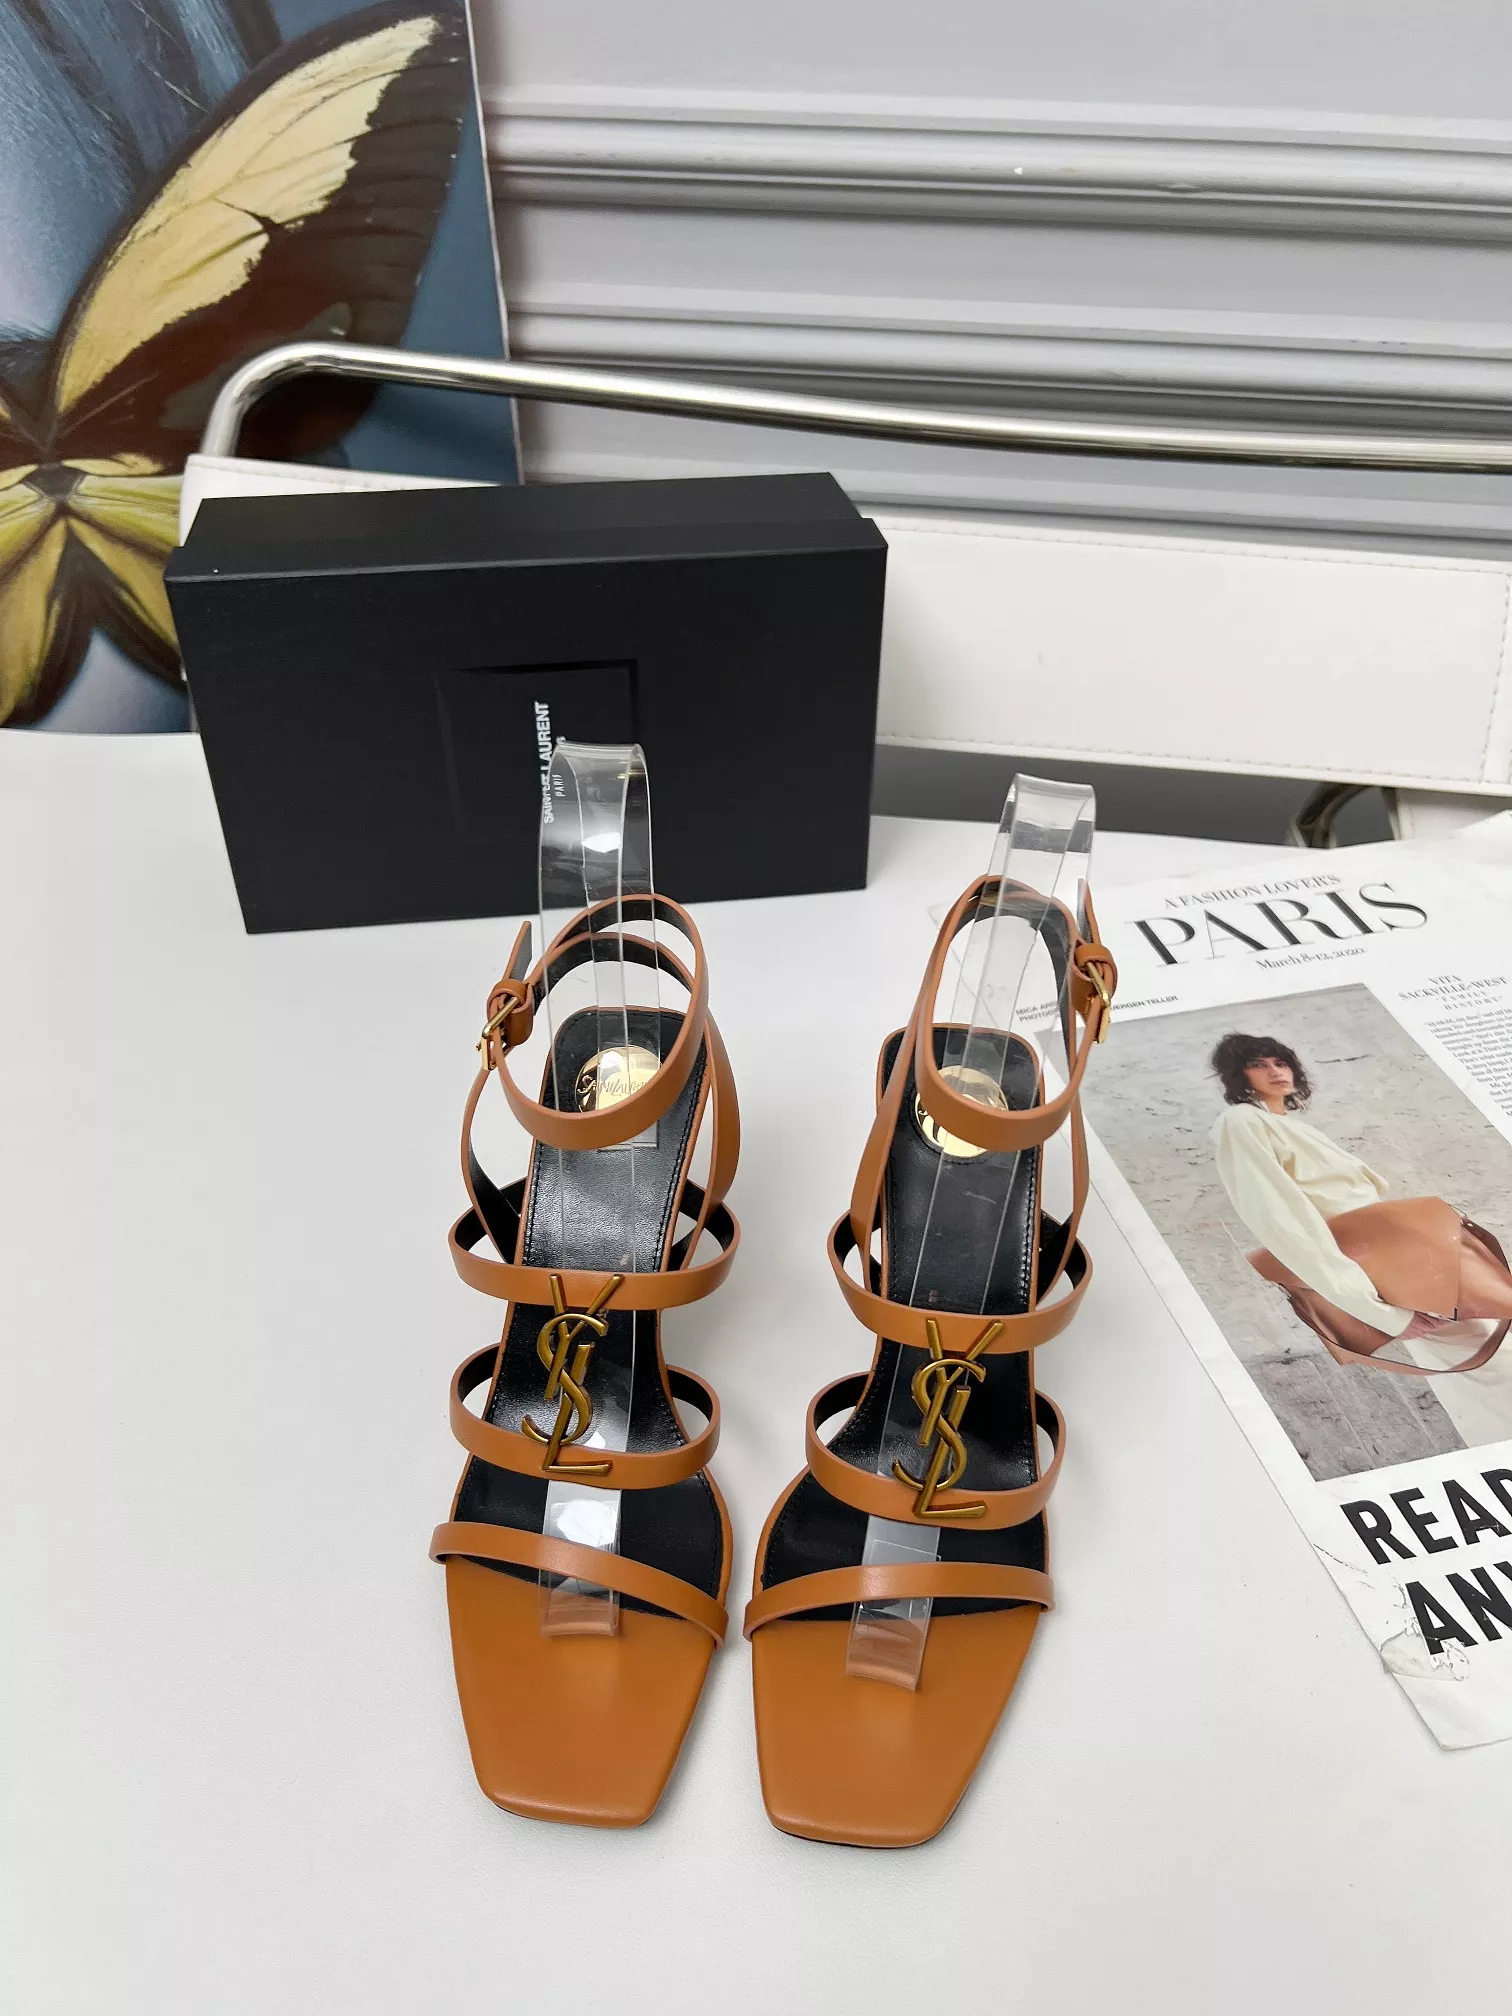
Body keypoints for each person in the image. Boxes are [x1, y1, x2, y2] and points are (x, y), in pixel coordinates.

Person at [1209, 1032, 1512, 1375]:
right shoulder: (1241, 1122)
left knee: (1489, 1352)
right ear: (1238, 1075)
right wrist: (1378, 1312)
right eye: (1257, 1065)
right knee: (1491, 1364)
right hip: (1372, 1269)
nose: (1274, 1071)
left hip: (1402, 1260)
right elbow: (1282, 1221)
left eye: (1280, 1062)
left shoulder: (1293, 1128)